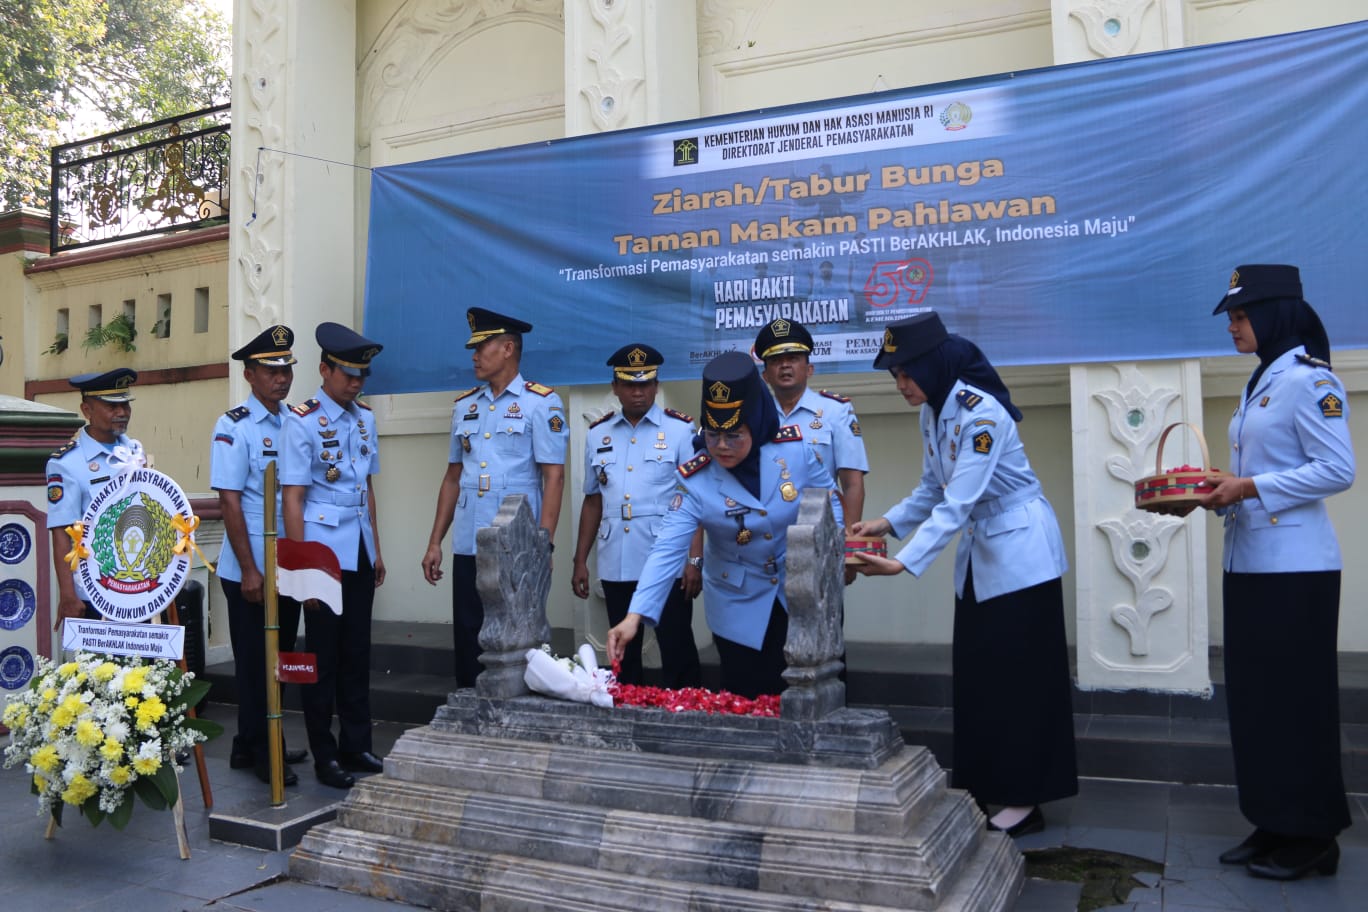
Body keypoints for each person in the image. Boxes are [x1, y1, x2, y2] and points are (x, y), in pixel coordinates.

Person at [849, 312, 1076, 836]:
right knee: (982, 678)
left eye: (906, 372)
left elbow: (957, 502)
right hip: (982, 557)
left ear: (933, 363)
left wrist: (904, 560)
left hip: (1021, 558)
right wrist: (886, 521)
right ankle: (988, 782)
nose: (901, 384)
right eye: (894, 376)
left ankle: (1025, 796)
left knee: (1020, 682)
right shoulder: (934, 410)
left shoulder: (981, 414)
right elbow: (931, 488)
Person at [1198, 264, 1353, 881]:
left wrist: (1248, 486)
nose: (1233, 327)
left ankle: (1314, 837)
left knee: (1297, 705)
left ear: (1276, 314)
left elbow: (1338, 469)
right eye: (1233, 317)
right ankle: (1273, 820)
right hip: (1253, 563)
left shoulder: (1311, 382)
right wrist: (1221, 489)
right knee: (1261, 705)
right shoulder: (1264, 380)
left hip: (1296, 571)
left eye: (1240, 316)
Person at [606, 351, 842, 698]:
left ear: (757, 425)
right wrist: (635, 615)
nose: (721, 446)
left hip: (799, 593)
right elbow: (667, 549)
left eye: (734, 435)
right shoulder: (696, 479)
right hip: (738, 603)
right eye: (713, 434)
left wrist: (835, 558)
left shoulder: (796, 453)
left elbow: (830, 504)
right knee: (748, 696)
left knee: (807, 695)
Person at [421, 307, 567, 686]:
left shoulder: (541, 403)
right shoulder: (465, 406)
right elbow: (453, 477)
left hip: (514, 545)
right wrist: (435, 540)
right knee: (469, 634)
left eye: (482, 346)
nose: (474, 355)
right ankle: (469, 713)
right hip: (470, 539)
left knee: (516, 635)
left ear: (507, 348)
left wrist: (543, 544)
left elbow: (553, 477)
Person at [282, 323, 386, 789]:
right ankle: (325, 753)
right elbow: (293, 499)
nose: (357, 382)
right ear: (324, 370)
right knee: (321, 658)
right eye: (348, 374)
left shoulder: (365, 418)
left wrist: (377, 549)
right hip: (321, 554)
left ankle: (356, 744)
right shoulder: (301, 422)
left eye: (362, 375)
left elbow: (366, 488)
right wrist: (301, 568)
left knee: (355, 651)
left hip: (358, 548)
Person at [210, 324, 308, 786]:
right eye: (271, 370)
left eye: (286, 368)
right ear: (250, 375)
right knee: (254, 664)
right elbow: (229, 503)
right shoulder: (233, 427)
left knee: (281, 659)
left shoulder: (296, 422)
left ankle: (250, 743)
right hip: (248, 568)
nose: (281, 377)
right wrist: (249, 569)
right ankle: (268, 751)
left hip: (285, 565)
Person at [571, 344, 702, 687]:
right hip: (617, 559)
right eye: (630, 384)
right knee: (622, 651)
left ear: (656, 385)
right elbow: (593, 501)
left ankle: (685, 714)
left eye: (646, 383)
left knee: (677, 646)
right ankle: (628, 714)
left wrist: (695, 560)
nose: (638, 391)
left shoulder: (680, 431)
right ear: (615, 387)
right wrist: (580, 560)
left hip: (667, 559)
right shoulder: (598, 434)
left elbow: (694, 499)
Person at [754, 316, 868, 582]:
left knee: (819, 621)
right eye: (775, 360)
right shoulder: (753, 417)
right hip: (765, 544)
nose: (785, 365)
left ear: (809, 368)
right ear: (765, 374)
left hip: (819, 539)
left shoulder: (836, 412)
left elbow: (852, 484)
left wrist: (847, 549)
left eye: (793, 357)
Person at [46, 369, 142, 629]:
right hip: (95, 590)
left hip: (141, 587)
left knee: (144, 667)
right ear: (86, 409)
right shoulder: (67, 463)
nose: (122, 412)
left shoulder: (134, 451)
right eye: (112, 406)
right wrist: (68, 595)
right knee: (101, 668)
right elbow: (61, 532)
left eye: (125, 404)